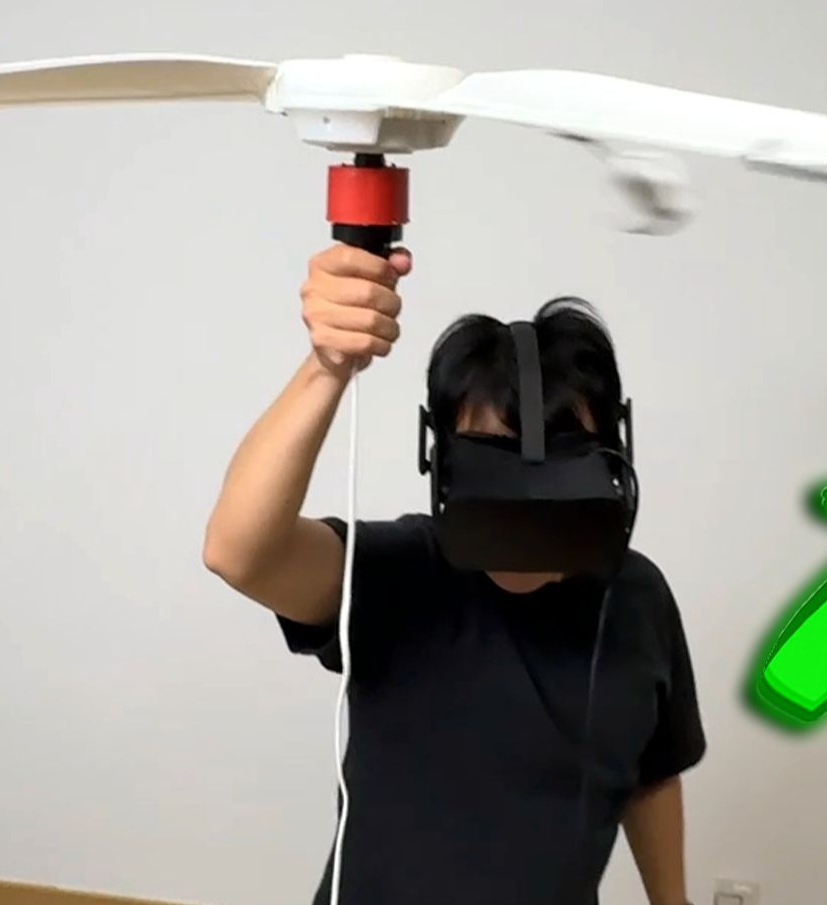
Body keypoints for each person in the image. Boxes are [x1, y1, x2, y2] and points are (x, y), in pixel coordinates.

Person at [202, 244, 707, 905]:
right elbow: (239, 551)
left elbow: (651, 773)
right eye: (495, 473)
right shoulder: (401, 574)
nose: (526, 515)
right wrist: (328, 365)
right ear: (442, 465)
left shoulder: (638, 597)